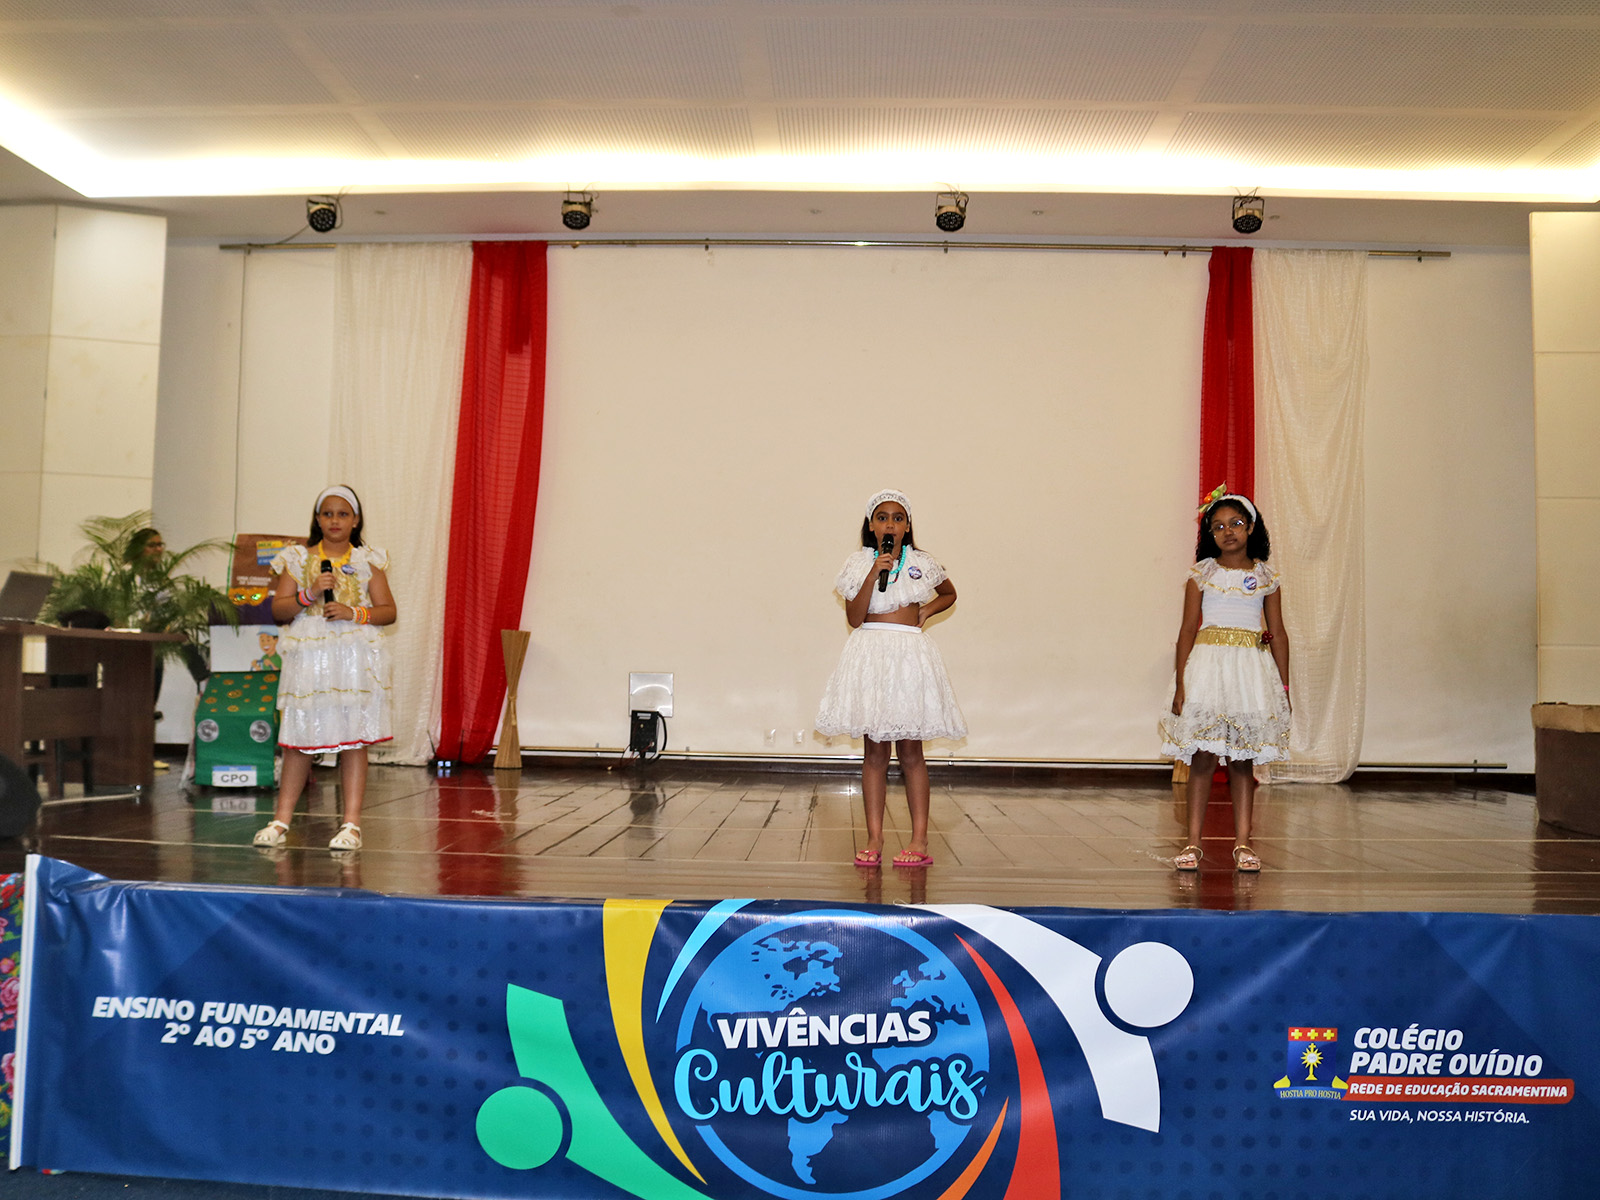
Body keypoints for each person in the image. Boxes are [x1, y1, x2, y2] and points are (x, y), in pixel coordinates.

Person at [816, 489, 965, 868]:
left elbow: (949, 593)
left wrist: (926, 611)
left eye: (898, 518)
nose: (890, 524)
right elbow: (854, 617)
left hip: (908, 655)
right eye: (882, 517)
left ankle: (919, 838)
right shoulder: (858, 563)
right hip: (871, 655)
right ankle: (874, 837)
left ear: (907, 526)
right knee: (875, 752)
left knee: (911, 752)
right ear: (871, 525)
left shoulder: (921, 562)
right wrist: (873, 573)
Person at [252, 486, 395, 852]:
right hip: (310, 657)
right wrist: (310, 593)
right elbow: (279, 611)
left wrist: (353, 612)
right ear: (317, 519)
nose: (335, 520)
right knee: (299, 737)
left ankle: (351, 825)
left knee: (354, 739)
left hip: (352, 659)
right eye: (328, 514)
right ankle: (281, 820)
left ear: (356, 520)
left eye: (343, 514)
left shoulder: (367, 560)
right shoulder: (298, 558)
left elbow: (388, 611)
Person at [1158, 488, 1290, 873]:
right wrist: (1181, 685)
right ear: (1209, 535)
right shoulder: (1202, 575)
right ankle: (1192, 842)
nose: (1227, 531)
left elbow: (1278, 634)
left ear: (1250, 527)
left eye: (1235, 523)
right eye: (1218, 527)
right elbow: (1187, 630)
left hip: (1250, 673)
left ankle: (1244, 843)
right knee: (1202, 758)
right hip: (1208, 670)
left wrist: (1283, 689)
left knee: (1242, 760)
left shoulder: (1266, 577)